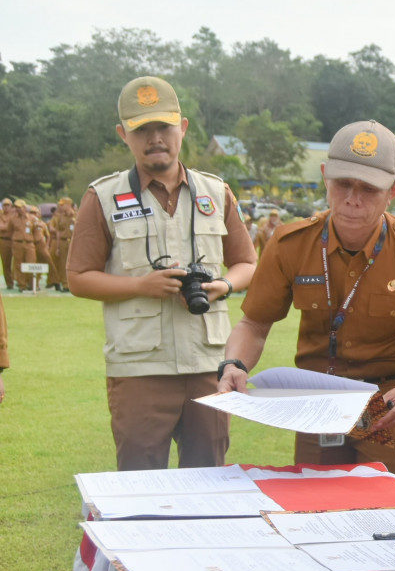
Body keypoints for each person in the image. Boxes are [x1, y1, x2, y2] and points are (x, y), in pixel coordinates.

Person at [218, 120, 395, 481]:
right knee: (313, 499)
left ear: (394, 191)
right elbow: (254, 323)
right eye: (343, 183)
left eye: (369, 189)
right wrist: (234, 364)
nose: (352, 199)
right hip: (317, 399)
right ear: (325, 176)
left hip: (384, 405)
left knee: (384, 505)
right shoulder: (289, 244)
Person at [66, 75, 256, 470]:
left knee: (208, 481)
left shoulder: (215, 192)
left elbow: (247, 263)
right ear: (124, 135)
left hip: (208, 365)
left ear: (182, 128)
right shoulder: (102, 197)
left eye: (164, 126)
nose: (155, 138)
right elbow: (78, 277)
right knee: (140, 484)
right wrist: (141, 285)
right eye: (142, 129)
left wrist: (222, 284)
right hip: (139, 369)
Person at [7, 202, 36, 292]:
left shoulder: (31, 218)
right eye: (16, 207)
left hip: (29, 243)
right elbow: (9, 231)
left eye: (19, 207)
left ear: (24, 208)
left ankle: (31, 284)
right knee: (18, 264)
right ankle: (21, 285)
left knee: (31, 263)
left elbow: (35, 231)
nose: (18, 209)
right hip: (17, 243)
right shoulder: (13, 219)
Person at [48, 197, 75, 291]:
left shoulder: (76, 215)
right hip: (63, 241)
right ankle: (65, 284)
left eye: (63, 205)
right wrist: (58, 247)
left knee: (73, 265)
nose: (60, 206)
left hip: (72, 241)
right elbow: (58, 233)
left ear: (68, 205)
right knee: (63, 264)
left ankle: (73, 284)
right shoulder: (60, 217)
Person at [0, 198, 16, 290]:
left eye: (8, 205)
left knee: (16, 262)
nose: (6, 207)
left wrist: (5, 226)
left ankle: (18, 281)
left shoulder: (14, 216)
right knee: (5, 262)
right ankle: (9, 283)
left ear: (11, 206)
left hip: (13, 240)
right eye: (4, 205)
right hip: (3, 240)